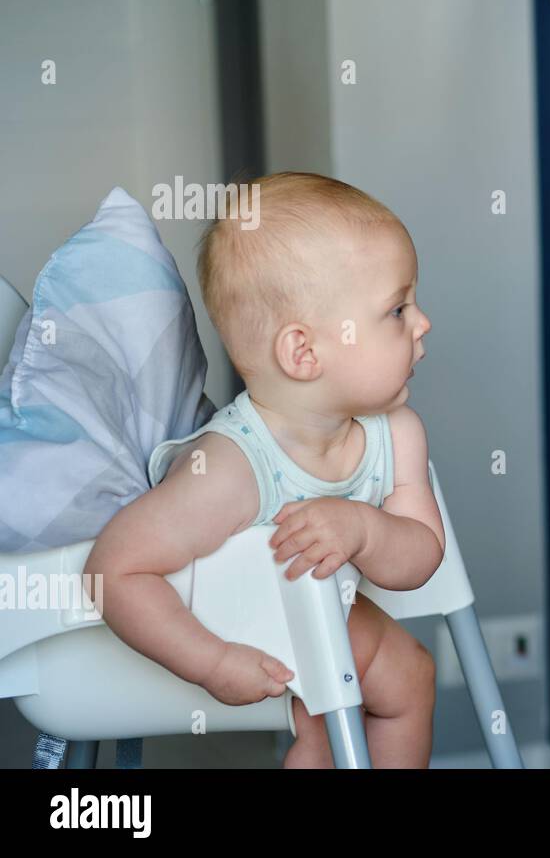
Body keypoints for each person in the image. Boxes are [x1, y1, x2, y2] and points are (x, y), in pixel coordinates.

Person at [84, 172, 445, 768]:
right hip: (243, 633)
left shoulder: (395, 432)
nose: (423, 322)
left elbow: (422, 556)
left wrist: (363, 528)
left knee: (411, 679)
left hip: (328, 621)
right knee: (339, 719)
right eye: (398, 308)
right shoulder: (228, 467)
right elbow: (115, 570)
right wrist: (213, 662)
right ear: (304, 353)